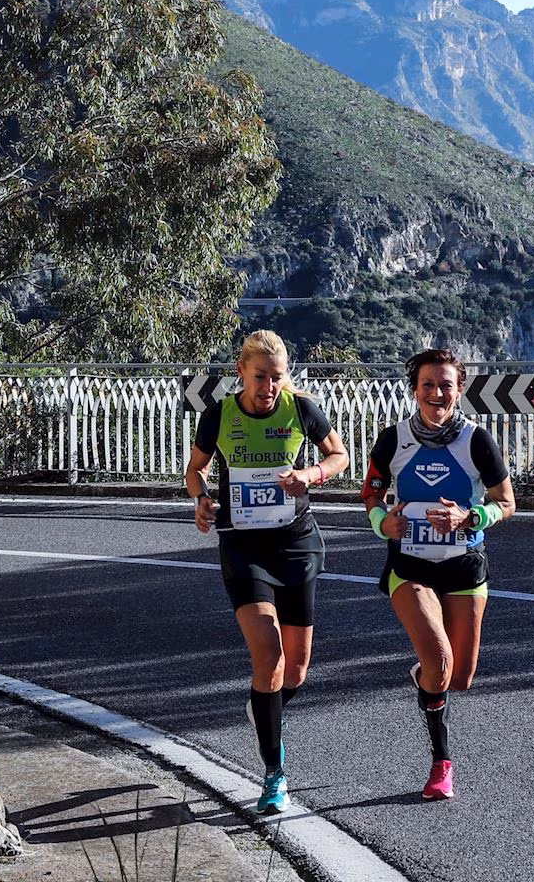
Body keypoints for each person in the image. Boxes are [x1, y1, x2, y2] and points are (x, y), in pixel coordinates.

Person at [184, 330, 348, 815]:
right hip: (243, 545)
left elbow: (339, 457)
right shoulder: (219, 415)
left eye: (278, 378)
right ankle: (274, 774)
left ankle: (262, 707)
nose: (269, 387)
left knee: (295, 669)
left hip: (296, 544)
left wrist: (310, 475)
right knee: (270, 655)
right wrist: (200, 500)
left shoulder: (302, 408)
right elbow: (195, 470)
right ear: (241, 372)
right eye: (261, 377)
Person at [360, 348, 515, 801]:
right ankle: (441, 763)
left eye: (445, 385)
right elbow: (370, 494)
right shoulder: (393, 440)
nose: (436, 393)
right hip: (410, 566)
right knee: (441, 661)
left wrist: (471, 518)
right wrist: (381, 522)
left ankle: (426, 675)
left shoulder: (476, 441)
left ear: (459, 390)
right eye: (428, 384)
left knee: (460, 677)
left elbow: (506, 502)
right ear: (415, 390)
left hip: (465, 563)